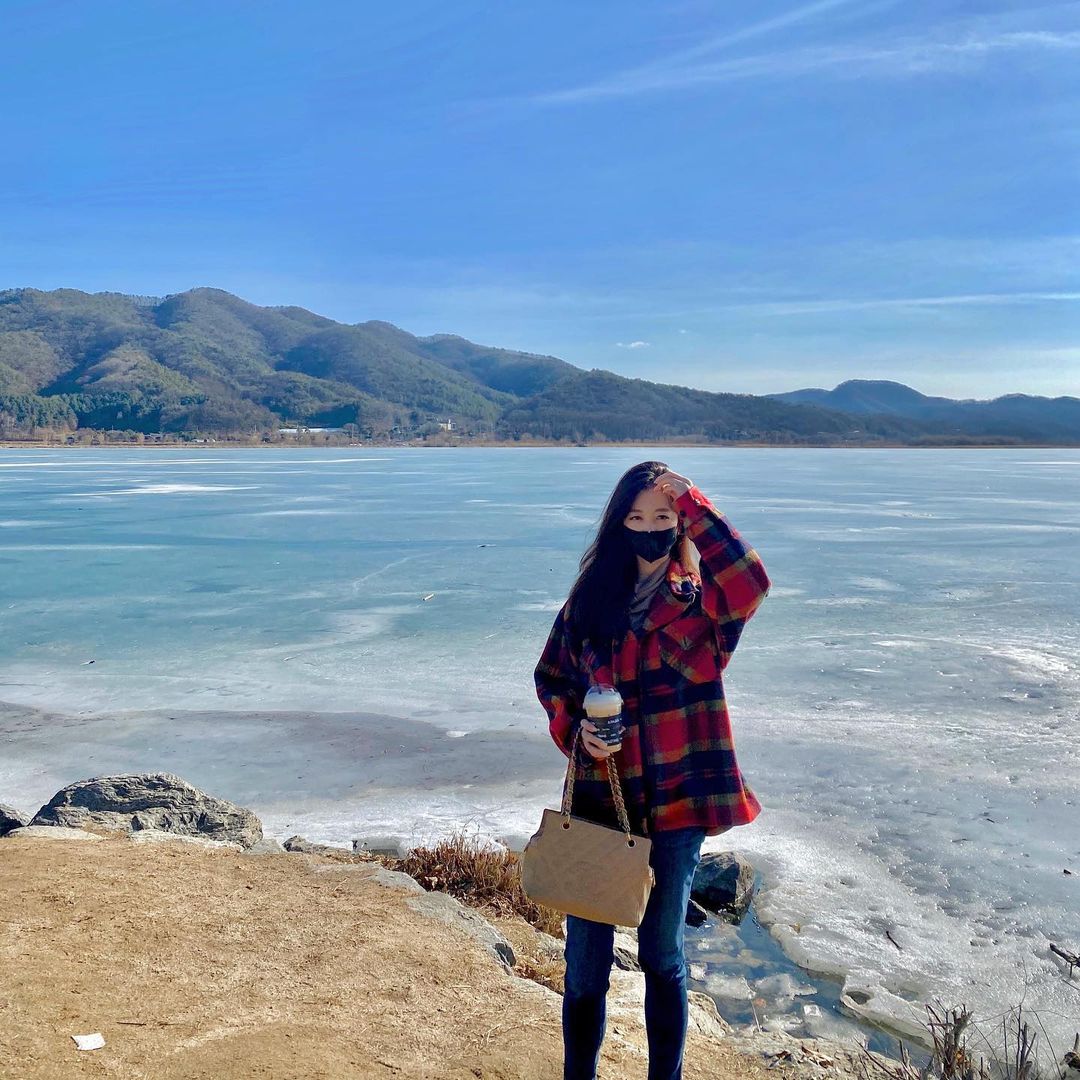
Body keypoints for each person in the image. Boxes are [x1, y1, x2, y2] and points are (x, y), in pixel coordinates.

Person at [533, 460, 771, 1080]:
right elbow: (552, 677)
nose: (648, 528)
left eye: (662, 517)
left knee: (663, 955)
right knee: (585, 966)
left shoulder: (703, 604)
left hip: (677, 798)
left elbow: (751, 581)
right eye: (635, 518)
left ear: (680, 522)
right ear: (618, 524)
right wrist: (576, 730)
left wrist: (694, 501)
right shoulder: (589, 602)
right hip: (602, 801)